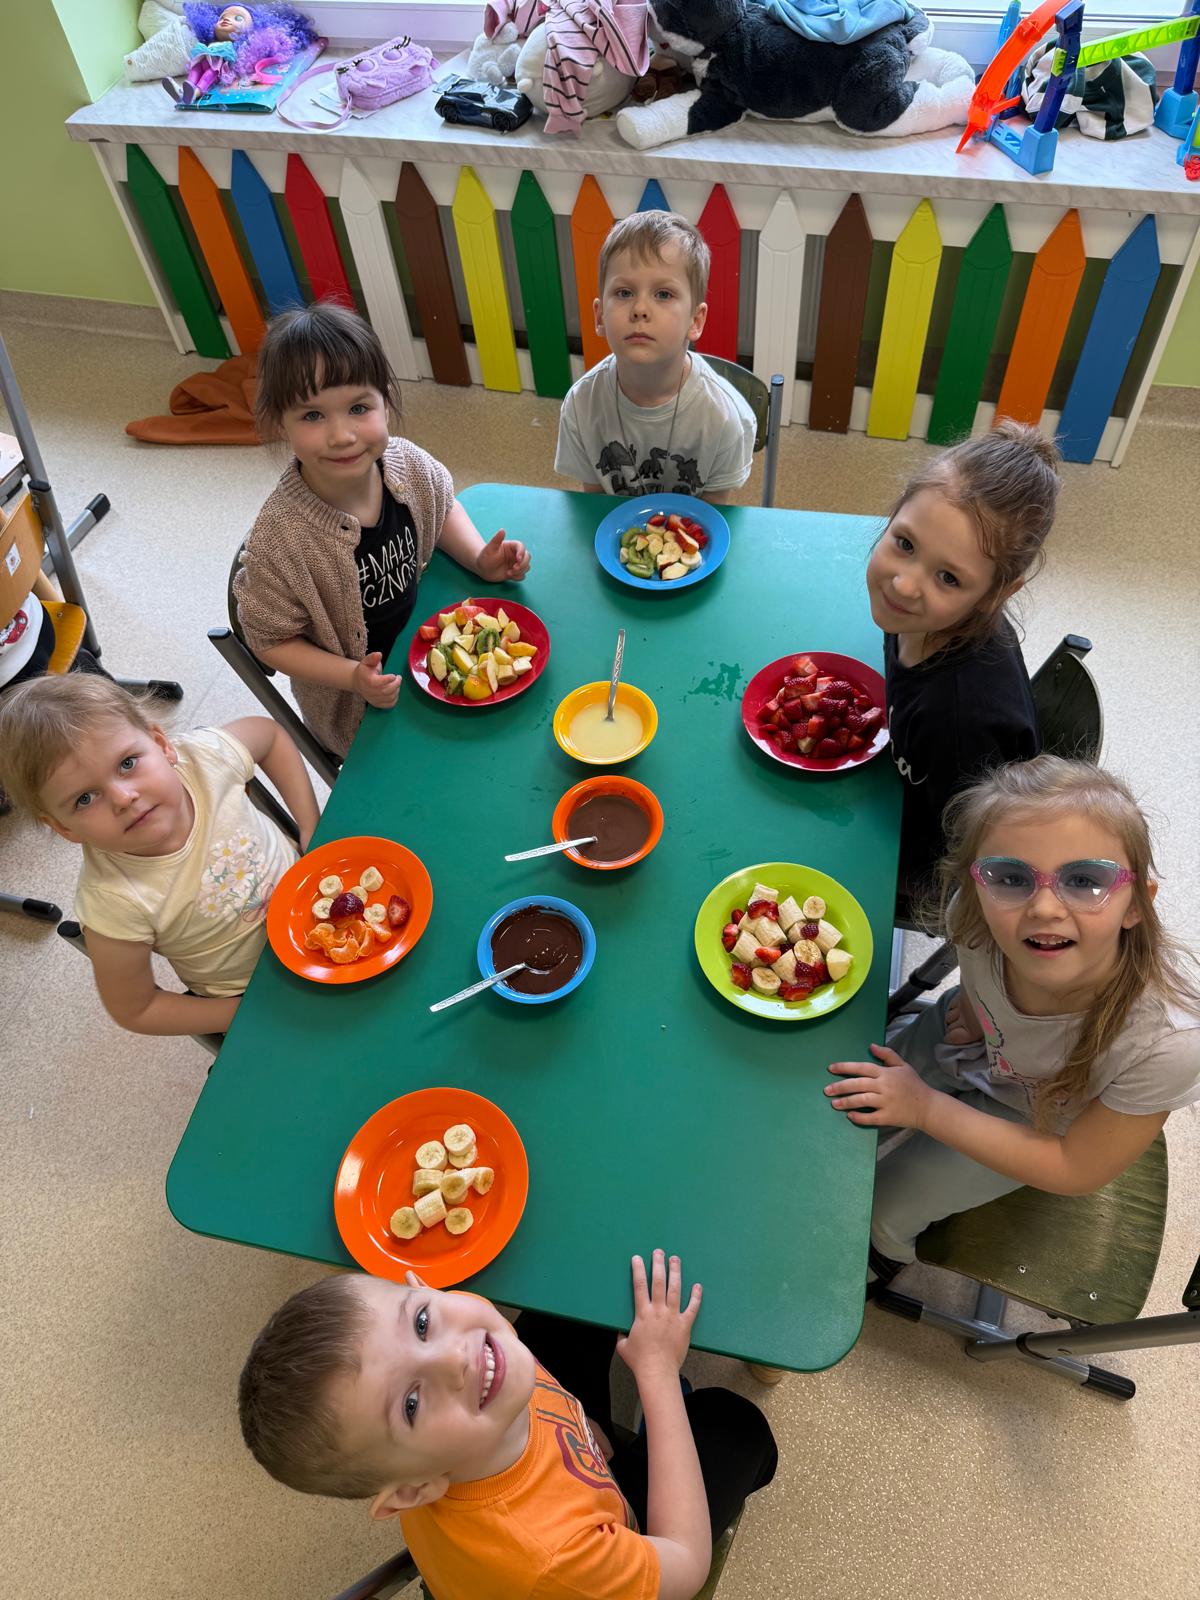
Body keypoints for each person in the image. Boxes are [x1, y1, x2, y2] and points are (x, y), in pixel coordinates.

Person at [825, 756, 1200, 1293]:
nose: (1044, 908)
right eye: (1011, 878)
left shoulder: (1168, 1043)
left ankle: (888, 1254)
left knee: (885, 1207)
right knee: (844, 1110)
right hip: (975, 1041)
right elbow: (978, 968)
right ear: (978, 885)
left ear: (1137, 905)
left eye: (1085, 880)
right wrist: (975, 1009)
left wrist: (926, 1108)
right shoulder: (973, 915)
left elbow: (1076, 1168)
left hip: (1039, 1123)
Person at [238, 1253, 777, 1600]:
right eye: (410, 1405)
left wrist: (577, 1421)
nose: (455, 1357)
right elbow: (685, 1564)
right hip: (594, 1553)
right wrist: (657, 1376)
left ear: (419, 1284)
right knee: (739, 1428)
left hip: (535, 1460)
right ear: (411, 1492)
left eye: (421, 1321)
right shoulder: (552, 1558)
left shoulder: (470, 1339)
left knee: (571, 1302)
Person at [235, 303, 531, 759]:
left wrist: (478, 559)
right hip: (362, 710)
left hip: (431, 660)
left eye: (358, 408)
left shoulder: (406, 463)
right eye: (312, 416)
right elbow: (270, 641)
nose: (342, 435)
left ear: (385, 402)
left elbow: (441, 505)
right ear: (280, 423)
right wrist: (353, 677)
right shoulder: (280, 539)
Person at [0, 674, 319, 1039]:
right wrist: (246, 1013)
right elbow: (136, 1008)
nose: (123, 798)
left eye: (127, 763)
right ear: (63, 827)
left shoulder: (203, 759)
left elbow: (269, 735)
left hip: (319, 895)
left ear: (161, 744)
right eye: (84, 799)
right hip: (259, 989)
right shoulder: (112, 901)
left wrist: (310, 825)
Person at [866, 421, 1062, 901]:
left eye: (948, 578)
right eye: (905, 543)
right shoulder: (920, 617)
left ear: (996, 595)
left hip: (928, 868)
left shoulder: (958, 720)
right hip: (901, 797)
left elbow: (970, 857)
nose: (904, 585)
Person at [555, 211, 756, 502]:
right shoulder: (580, 406)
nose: (640, 309)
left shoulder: (725, 418)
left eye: (663, 294)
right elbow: (596, 511)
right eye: (624, 293)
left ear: (695, 321)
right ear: (600, 316)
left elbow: (711, 517)